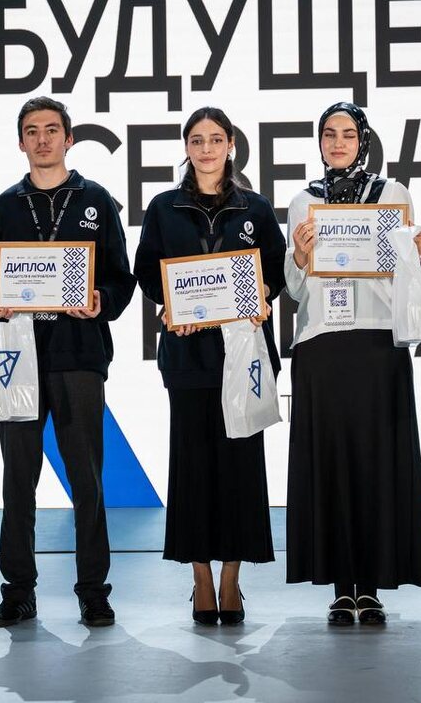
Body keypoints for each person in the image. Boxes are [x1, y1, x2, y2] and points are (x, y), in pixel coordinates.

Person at [0, 96, 136, 627]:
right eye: (32, 131)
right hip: (16, 361)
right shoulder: (6, 205)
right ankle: (18, 591)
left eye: (52, 130)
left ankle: (93, 591)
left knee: (87, 479)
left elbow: (121, 279)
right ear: (21, 142)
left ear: (69, 139)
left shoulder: (96, 200)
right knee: (18, 479)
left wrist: (99, 300)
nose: (42, 139)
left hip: (79, 356)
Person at [285, 102, 421, 625]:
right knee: (330, 465)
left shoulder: (392, 195)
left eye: (348, 134)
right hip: (322, 344)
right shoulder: (303, 202)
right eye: (329, 134)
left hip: (378, 344)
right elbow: (294, 288)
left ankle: (371, 588)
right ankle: (341, 588)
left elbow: (417, 273)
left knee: (376, 465)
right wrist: (301, 257)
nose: (338, 143)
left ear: (363, 141)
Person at [133, 107, 285, 625]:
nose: (206, 149)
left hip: (244, 356)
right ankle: (200, 577)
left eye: (215, 139)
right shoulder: (164, 206)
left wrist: (263, 293)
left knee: (241, 469)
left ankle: (231, 578)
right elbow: (147, 270)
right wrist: (168, 304)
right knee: (193, 468)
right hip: (187, 356)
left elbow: (275, 270)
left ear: (231, 146)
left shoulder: (255, 207)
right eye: (197, 140)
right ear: (186, 147)